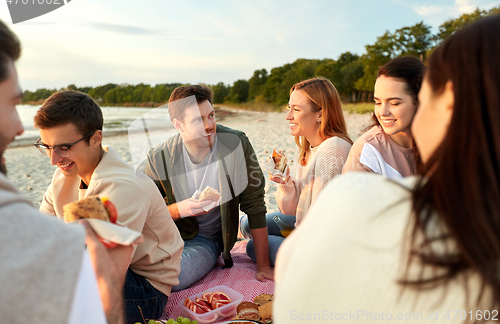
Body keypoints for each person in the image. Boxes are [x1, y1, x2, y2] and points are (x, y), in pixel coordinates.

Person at [274, 14, 500, 323]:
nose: (383, 112)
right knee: (260, 225)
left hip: (313, 242)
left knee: (257, 233)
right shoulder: (359, 152)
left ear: (446, 105)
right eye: (378, 101)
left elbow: (308, 250)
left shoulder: (353, 189)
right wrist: (288, 186)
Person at [0, 19, 132, 324]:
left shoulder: (120, 183)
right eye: (11, 103)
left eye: (63, 147)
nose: (18, 126)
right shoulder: (61, 179)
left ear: (96, 139)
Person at [34, 91, 184, 324]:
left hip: (144, 289)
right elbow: (41, 230)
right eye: (47, 146)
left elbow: (101, 271)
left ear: (95, 139)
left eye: (63, 147)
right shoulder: (65, 174)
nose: (54, 159)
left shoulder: (123, 188)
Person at [142, 84, 273, 291]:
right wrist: (178, 210)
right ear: (179, 125)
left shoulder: (236, 144)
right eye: (197, 120)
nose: (209, 125)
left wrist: (263, 265)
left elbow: (254, 203)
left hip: (205, 240)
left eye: (211, 115)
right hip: (165, 235)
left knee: (174, 277)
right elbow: (139, 210)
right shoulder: (159, 157)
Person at [242, 77, 352, 266]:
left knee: (254, 247)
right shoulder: (305, 147)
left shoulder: (332, 151)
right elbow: (292, 211)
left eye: (297, 110)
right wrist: (286, 184)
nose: (288, 116)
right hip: (303, 225)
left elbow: (323, 222)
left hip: (324, 246)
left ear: (320, 114)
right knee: (248, 225)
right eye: (289, 108)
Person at [343, 56, 424, 178]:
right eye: (378, 102)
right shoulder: (368, 151)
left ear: (421, 100)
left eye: (394, 103)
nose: (382, 112)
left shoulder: (445, 142)